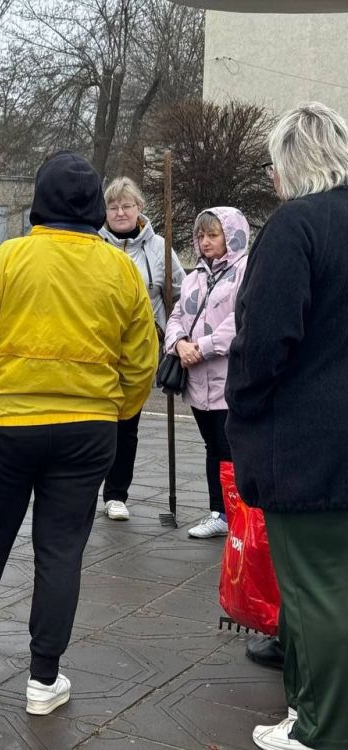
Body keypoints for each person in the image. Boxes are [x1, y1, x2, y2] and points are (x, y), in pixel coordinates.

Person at [0, 151, 156, 714]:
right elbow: (142, 357)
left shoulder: (9, 258)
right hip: (89, 428)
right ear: (96, 205)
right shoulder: (119, 268)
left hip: (8, 425)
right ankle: (44, 679)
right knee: (61, 552)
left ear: (39, 202)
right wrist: (117, 411)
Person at [226, 102, 348, 750]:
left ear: (290, 164)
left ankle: (321, 729)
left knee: (314, 595)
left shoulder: (297, 226)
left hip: (310, 447)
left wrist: (243, 406)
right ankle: (308, 714)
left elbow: (266, 339)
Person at [98, 177, 185, 521]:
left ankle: (117, 493)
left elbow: (180, 294)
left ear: (139, 209)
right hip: (100, 347)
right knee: (96, 420)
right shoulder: (94, 245)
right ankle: (85, 486)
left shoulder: (159, 248)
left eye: (126, 206)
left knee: (127, 422)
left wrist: (173, 332)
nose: (120, 212)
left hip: (141, 350)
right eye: (113, 206)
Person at [164, 206, 249, 539]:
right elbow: (177, 317)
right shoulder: (195, 276)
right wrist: (179, 343)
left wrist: (203, 347)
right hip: (198, 381)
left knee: (230, 448)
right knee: (212, 447)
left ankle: (237, 511)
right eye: (201, 235)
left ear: (231, 236)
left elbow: (241, 319)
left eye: (213, 235)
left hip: (229, 378)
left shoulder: (245, 271)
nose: (205, 241)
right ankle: (219, 511)